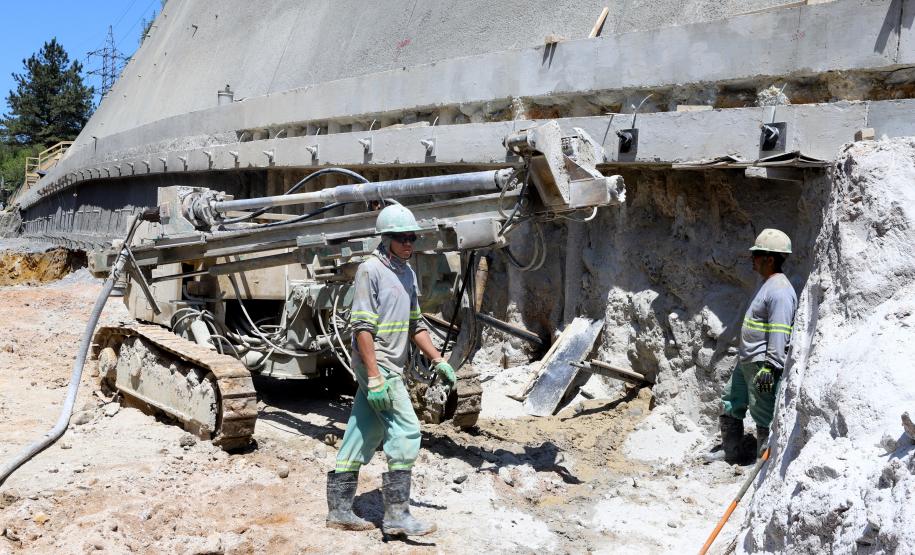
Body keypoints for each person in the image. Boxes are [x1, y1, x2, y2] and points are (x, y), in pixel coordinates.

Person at [325, 203, 456, 537]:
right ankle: (397, 516)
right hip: (378, 364)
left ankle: (339, 511)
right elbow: (362, 329)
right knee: (407, 430)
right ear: (386, 238)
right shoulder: (370, 270)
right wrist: (374, 376)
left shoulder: (408, 273)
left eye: (412, 237)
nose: (408, 243)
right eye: (401, 238)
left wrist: (439, 359)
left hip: (388, 366)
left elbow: (415, 324)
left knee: (364, 429)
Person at [718, 228, 798, 463]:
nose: (752, 260)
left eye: (756, 255)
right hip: (747, 361)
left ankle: (764, 465)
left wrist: (771, 366)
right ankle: (732, 453)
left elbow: (780, 330)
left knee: (763, 413)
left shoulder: (781, 291)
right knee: (730, 400)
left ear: (770, 259)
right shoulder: (767, 284)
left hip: (762, 364)